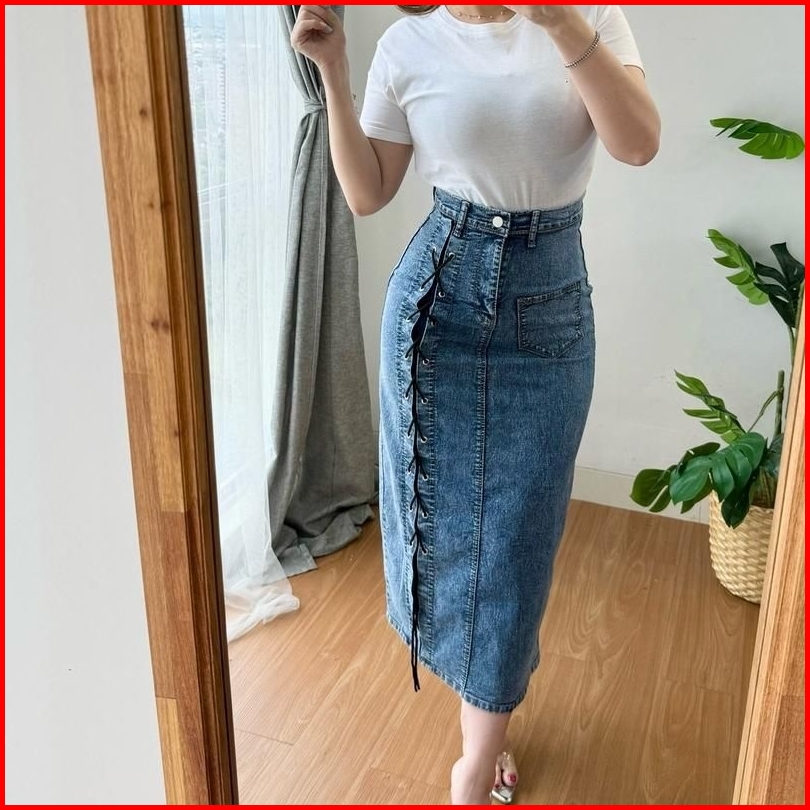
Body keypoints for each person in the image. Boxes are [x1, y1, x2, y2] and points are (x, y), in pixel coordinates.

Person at [291, 4, 660, 804]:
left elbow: (637, 143)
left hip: (547, 304)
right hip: (438, 300)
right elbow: (367, 192)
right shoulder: (409, 42)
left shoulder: (591, 17)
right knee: (435, 511)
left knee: (517, 539)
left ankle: (480, 736)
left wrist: (561, 25)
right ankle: (481, 737)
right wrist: (334, 70)